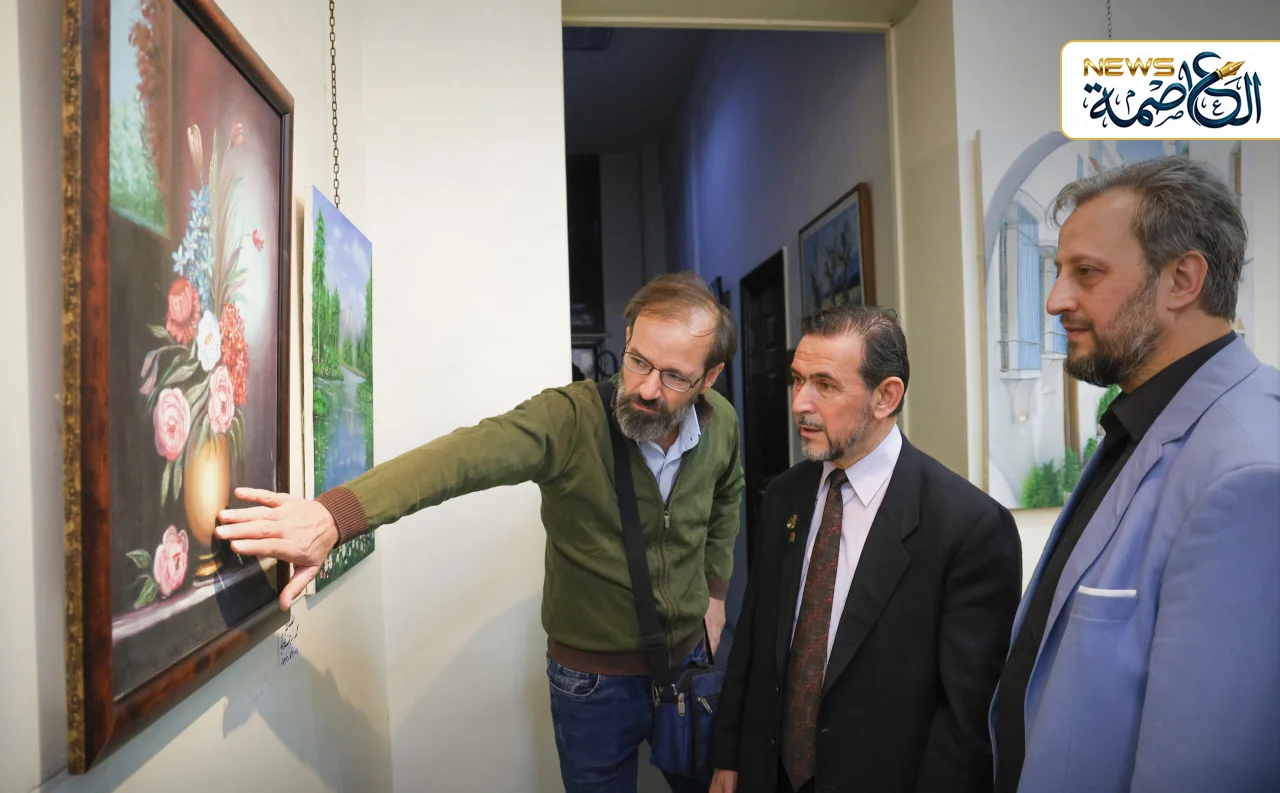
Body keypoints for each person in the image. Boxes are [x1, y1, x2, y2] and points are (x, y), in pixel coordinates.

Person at [217, 272, 746, 793]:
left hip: (688, 664)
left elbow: (728, 491)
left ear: (710, 377)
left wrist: (716, 592)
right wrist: (333, 518)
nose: (647, 388)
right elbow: (459, 459)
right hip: (592, 684)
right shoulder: (567, 420)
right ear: (627, 338)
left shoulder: (720, 423)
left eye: (674, 377)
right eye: (638, 362)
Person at [990, 156, 1280, 793]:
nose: (1055, 300)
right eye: (1058, 271)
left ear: (1182, 279)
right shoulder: (1144, 420)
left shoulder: (1249, 473)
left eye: (1086, 273)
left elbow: (1208, 770)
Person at [708, 305, 1023, 793]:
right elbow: (754, 634)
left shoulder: (969, 527)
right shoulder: (786, 495)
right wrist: (729, 753)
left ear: (886, 396)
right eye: (797, 380)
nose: (800, 403)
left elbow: (967, 719)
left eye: (825, 385)